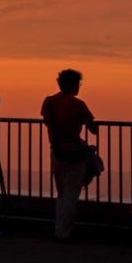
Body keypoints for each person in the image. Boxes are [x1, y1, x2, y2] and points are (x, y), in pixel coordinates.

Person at [41, 69, 98, 242]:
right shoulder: (79, 105)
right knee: (72, 194)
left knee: (61, 193)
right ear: (74, 85)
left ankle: (59, 229)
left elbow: (47, 123)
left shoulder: (49, 102)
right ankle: (64, 233)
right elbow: (93, 128)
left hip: (56, 152)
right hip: (74, 152)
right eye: (79, 84)